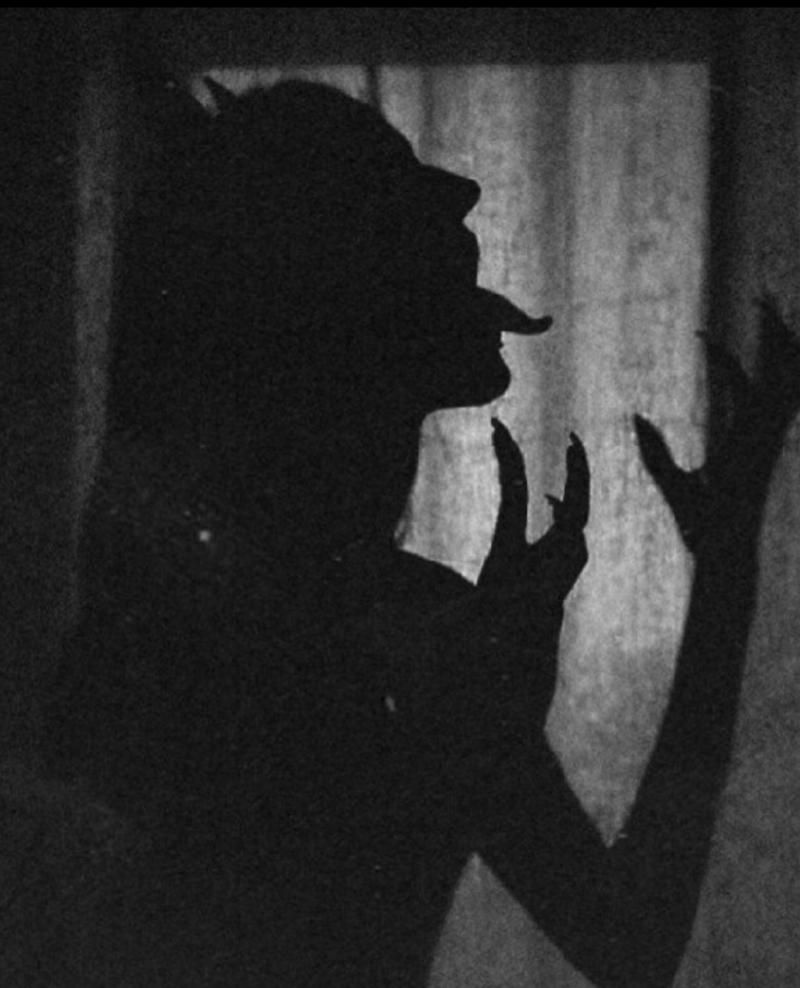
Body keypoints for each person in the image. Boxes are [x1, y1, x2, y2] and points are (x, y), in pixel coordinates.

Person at [48, 78, 800, 987]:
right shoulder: (178, 634)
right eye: (395, 185)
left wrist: (725, 563)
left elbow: (630, 943)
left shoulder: (417, 625)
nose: (465, 194)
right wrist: (464, 746)